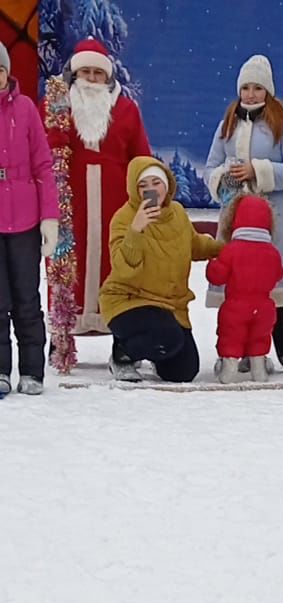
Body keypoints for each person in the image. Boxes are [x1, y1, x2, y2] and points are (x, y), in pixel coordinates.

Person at [43, 37, 151, 370]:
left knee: (118, 269)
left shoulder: (126, 109)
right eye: (84, 72)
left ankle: (122, 343)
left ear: (108, 77)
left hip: (115, 207)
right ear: (74, 75)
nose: (91, 78)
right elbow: (41, 153)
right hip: (69, 204)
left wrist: (148, 198)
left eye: (97, 73)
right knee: (65, 270)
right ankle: (61, 338)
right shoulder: (56, 106)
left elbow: (142, 157)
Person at [204, 54, 283, 374]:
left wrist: (258, 170)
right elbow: (210, 168)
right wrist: (225, 175)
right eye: (245, 87)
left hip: (272, 219)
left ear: (269, 91)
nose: (250, 94)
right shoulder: (227, 125)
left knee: (270, 283)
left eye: (257, 88)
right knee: (237, 285)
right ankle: (236, 350)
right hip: (235, 219)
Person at [99, 157, 221, 383]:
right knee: (167, 335)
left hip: (170, 306)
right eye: (142, 185)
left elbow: (194, 245)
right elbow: (123, 269)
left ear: (167, 184)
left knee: (183, 371)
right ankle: (122, 353)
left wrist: (225, 249)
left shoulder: (177, 212)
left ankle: (154, 351)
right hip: (129, 301)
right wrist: (136, 229)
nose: (150, 190)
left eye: (156, 182)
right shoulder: (124, 218)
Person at [0, 41, 59, 395]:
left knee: (26, 298)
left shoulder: (25, 109)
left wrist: (48, 217)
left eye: (0, 70)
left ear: (7, 73)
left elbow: (44, 165)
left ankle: (32, 370)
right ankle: (1, 370)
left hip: (23, 218)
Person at [206, 193, 283, 383]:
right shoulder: (272, 252)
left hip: (236, 306)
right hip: (264, 307)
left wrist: (213, 264)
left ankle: (229, 371)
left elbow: (217, 276)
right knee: (259, 339)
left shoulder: (231, 250)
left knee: (231, 338)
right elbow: (278, 275)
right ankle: (259, 371)